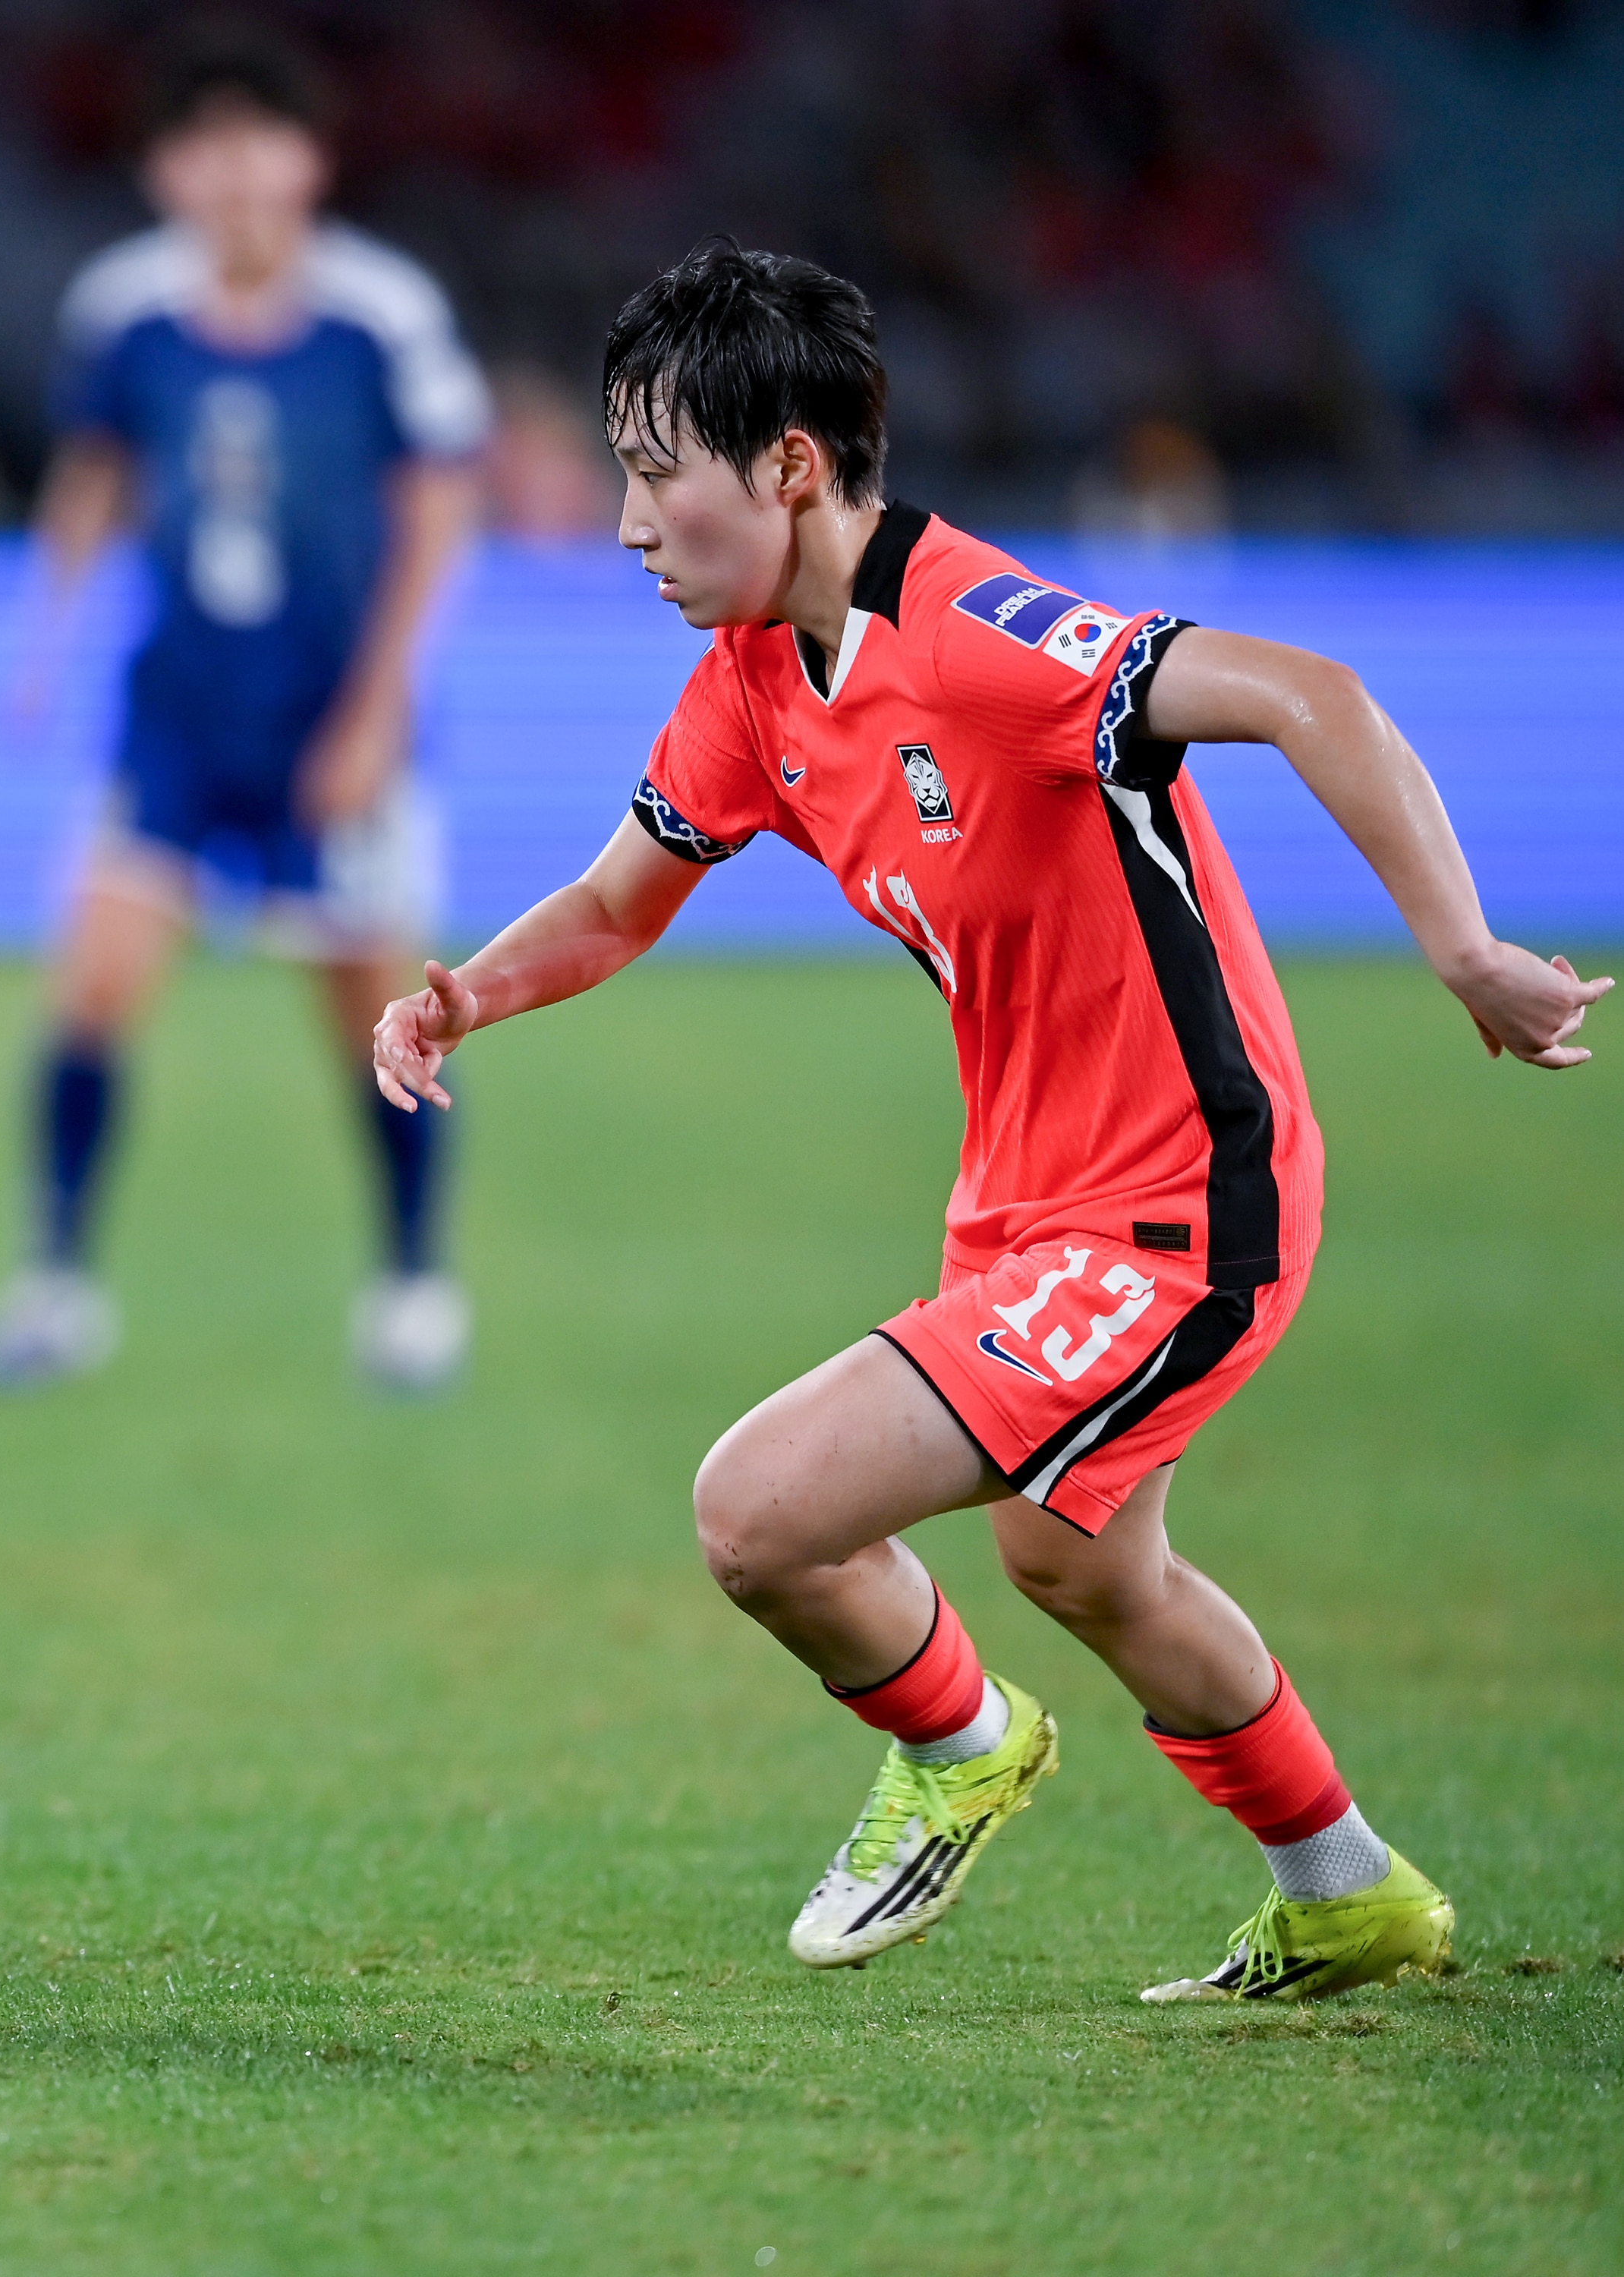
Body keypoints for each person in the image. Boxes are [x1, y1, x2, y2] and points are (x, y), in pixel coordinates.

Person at [373, 241, 1607, 1998]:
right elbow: (615, 902)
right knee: (1081, 1562)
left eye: (657, 472)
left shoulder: (993, 644)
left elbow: (1311, 695)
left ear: (791, 464)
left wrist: (1465, 949)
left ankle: (960, 1748)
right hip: (1028, 1202)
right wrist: (463, 996)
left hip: (1184, 1205)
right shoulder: (752, 681)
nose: (629, 521)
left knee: (759, 1511)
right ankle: (1347, 1890)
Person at [0, 33, 488, 1394]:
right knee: (93, 992)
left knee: (372, 1015)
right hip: (179, 718)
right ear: (165, 170)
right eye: (206, 146)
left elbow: (438, 512)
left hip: (327, 722)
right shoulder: (127, 310)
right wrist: (44, 637)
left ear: (310, 161)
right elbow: (95, 472)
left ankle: (415, 1287)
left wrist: (376, 712)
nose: (235, 175)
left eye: (262, 142)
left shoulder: (382, 315)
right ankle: (56, 1284)